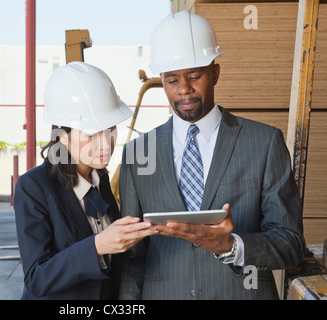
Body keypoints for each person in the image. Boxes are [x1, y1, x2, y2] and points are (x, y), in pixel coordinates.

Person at [118, 11, 305, 300]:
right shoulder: (138, 153)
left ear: (215, 73)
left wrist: (232, 245)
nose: (184, 89)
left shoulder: (264, 143)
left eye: (194, 76)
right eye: (171, 80)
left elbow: (291, 244)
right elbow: (133, 259)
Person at [14, 61, 155, 300]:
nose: (105, 144)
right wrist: (98, 246)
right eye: (90, 135)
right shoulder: (33, 187)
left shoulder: (100, 178)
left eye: (110, 129)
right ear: (62, 138)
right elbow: (36, 278)